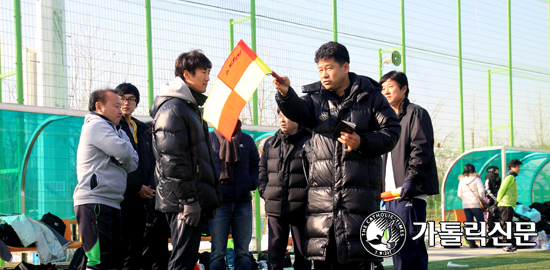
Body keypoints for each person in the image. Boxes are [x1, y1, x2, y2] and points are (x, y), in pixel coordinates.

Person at [273, 41, 401, 269]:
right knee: (324, 263)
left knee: (357, 262)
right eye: (320, 69)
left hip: (358, 203)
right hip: (322, 206)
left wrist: (362, 141)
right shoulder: (315, 98)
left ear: (345, 67)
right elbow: (299, 112)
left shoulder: (371, 97)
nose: (324, 74)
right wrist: (285, 94)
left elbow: (391, 132)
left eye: (329, 68)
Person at [150, 50, 222, 270]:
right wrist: (189, 200)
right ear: (186, 74)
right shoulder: (173, 109)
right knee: (181, 262)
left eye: (209, 72)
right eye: (204, 72)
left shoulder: (188, 108)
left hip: (189, 200)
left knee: (186, 260)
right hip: (182, 202)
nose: (208, 78)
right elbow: (172, 160)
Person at [74, 89, 138, 270]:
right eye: (116, 106)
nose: (121, 110)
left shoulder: (119, 131)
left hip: (113, 202)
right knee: (97, 263)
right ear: (99, 106)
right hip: (94, 202)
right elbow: (126, 153)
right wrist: (121, 157)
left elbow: (134, 162)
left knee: (113, 263)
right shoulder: (96, 126)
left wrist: (120, 156)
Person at [380, 71, 439, 269]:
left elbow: (421, 150)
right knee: (397, 248)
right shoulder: (387, 120)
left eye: (390, 86)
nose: (385, 91)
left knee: (411, 247)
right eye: (383, 88)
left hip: (409, 193)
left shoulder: (416, 113)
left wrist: (410, 181)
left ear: (404, 89)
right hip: (390, 196)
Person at [113, 83, 162, 270]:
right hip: (122, 197)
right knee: (120, 248)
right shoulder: (112, 128)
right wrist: (136, 187)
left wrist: (148, 186)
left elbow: (151, 160)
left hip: (143, 199)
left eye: (131, 99)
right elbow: (118, 163)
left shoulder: (141, 129)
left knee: (136, 249)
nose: (126, 103)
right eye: (122, 99)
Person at [258, 109, 312, 270]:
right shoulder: (270, 143)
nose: (282, 119)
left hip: (301, 209)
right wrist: (265, 192)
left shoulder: (309, 142)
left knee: (303, 255)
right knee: (274, 256)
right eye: (280, 115)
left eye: (287, 115)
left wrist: (308, 198)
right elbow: (262, 171)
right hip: (275, 208)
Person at [208, 119, 260, 270]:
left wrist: (251, 182)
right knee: (217, 253)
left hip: (243, 203)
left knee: (243, 252)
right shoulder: (210, 139)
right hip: (219, 204)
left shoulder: (247, 140)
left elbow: (256, 165)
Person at [496, 159, 522, 252]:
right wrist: (498, 200)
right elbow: (502, 189)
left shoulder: (512, 177)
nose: (519, 169)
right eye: (517, 167)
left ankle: (510, 244)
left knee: (509, 224)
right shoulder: (510, 176)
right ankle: (507, 245)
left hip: (508, 204)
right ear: (512, 168)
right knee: (507, 225)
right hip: (505, 204)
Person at [457, 163, 485, 248]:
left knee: (469, 224)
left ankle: (471, 242)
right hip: (475, 204)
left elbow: (459, 193)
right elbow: (481, 192)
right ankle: (483, 241)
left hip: (466, 204)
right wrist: (480, 198)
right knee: (481, 223)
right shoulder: (477, 179)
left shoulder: (462, 180)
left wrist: (465, 198)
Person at [484, 165, 501, 244]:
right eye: (495, 171)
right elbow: (488, 191)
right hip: (492, 204)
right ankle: (491, 239)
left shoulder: (498, 180)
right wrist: (495, 199)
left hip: (498, 204)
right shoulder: (488, 180)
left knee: (497, 220)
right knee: (491, 220)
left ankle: (496, 238)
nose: (497, 172)